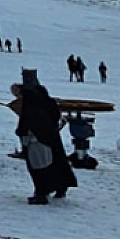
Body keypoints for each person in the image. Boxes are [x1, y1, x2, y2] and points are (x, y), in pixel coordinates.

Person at [16, 69, 77, 204]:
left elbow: (28, 120)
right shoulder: (45, 99)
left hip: (37, 138)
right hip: (51, 136)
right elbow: (55, 115)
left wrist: (24, 134)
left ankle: (41, 193)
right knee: (56, 162)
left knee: (40, 167)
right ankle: (60, 187)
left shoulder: (31, 102)